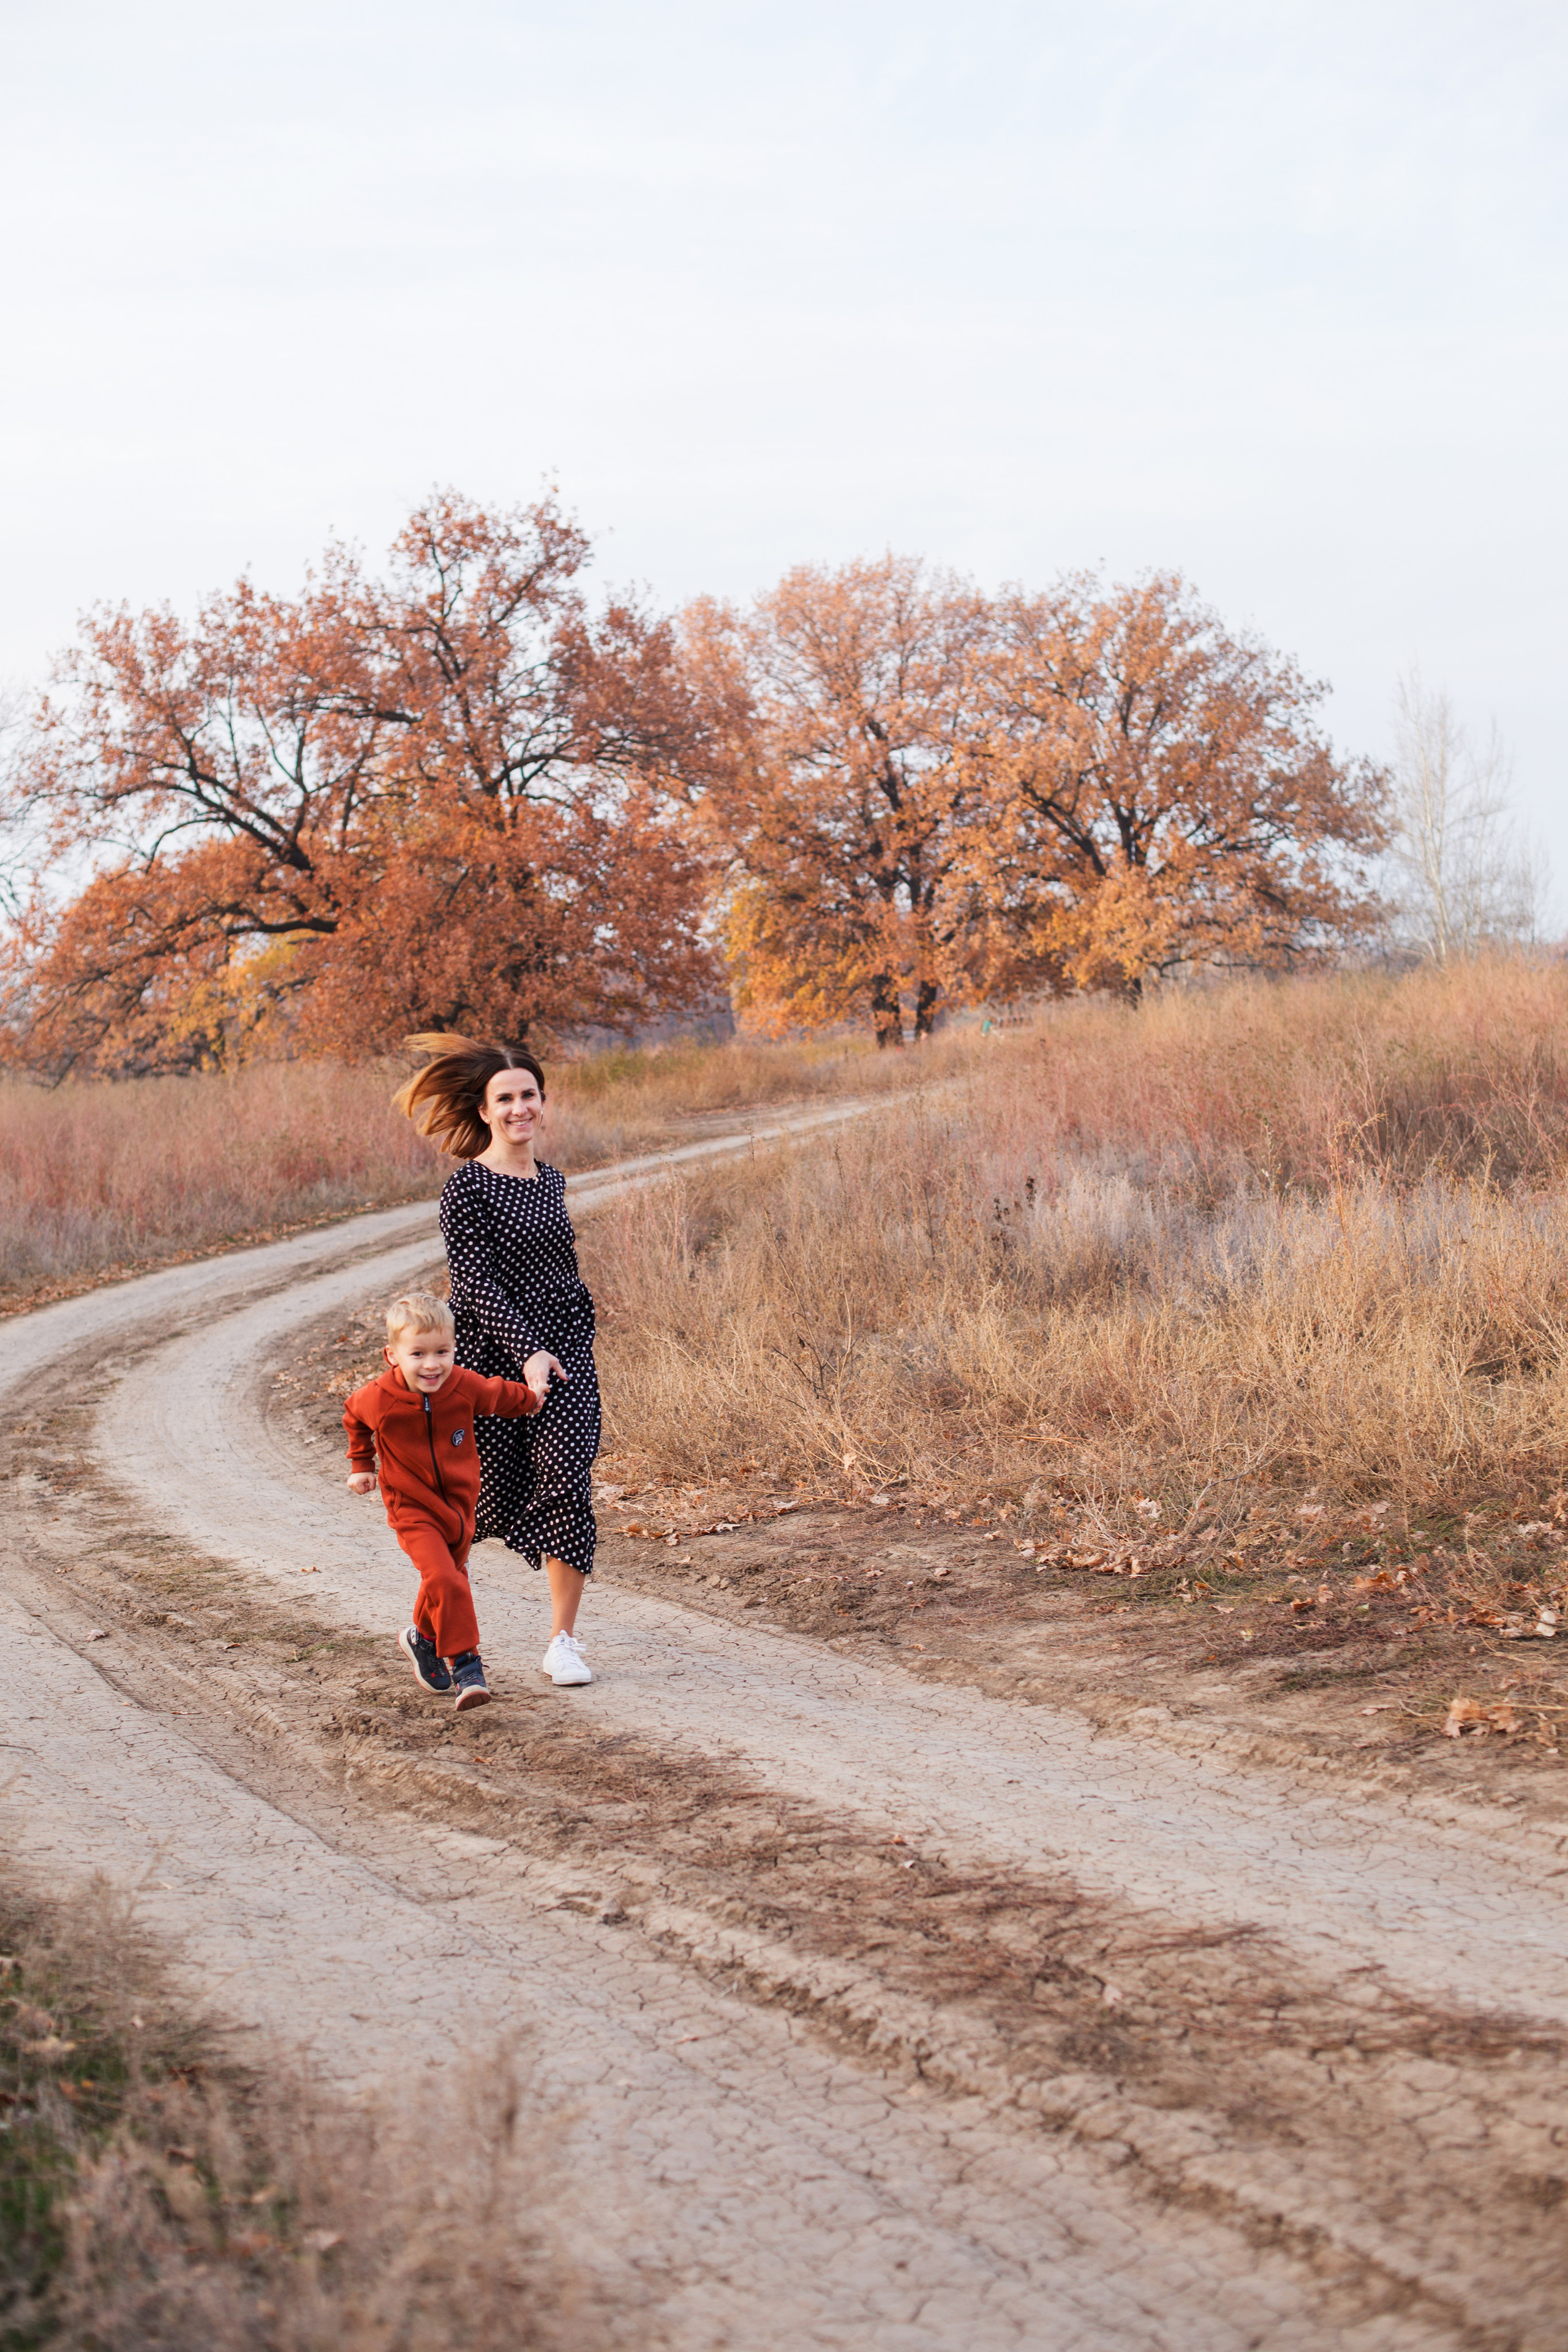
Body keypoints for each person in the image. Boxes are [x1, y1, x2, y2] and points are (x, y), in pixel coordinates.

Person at [394, 1035, 602, 1689]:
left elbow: (560, 1272)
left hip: (564, 1357)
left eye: (528, 1096)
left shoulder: (551, 1182)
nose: (520, 1109)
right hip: (490, 1362)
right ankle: (429, 1631)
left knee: (567, 1479)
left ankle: (562, 1642)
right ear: (484, 1111)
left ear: (543, 1101)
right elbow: (477, 1288)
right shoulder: (467, 1190)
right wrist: (526, 1353)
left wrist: (567, 1340)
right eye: (505, 1099)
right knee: (471, 1509)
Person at [343, 1290, 542, 1711]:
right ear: (392, 1355)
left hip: (460, 1508)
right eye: (418, 1353)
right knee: (449, 1580)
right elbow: (354, 1414)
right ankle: (467, 1664)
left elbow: (497, 1394)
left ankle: (423, 1638)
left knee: (442, 1581)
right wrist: (362, 1463)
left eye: (442, 1351)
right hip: (412, 1508)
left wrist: (533, 1396)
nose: (432, 1364)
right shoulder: (380, 1397)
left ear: (455, 1349)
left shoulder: (460, 1386)